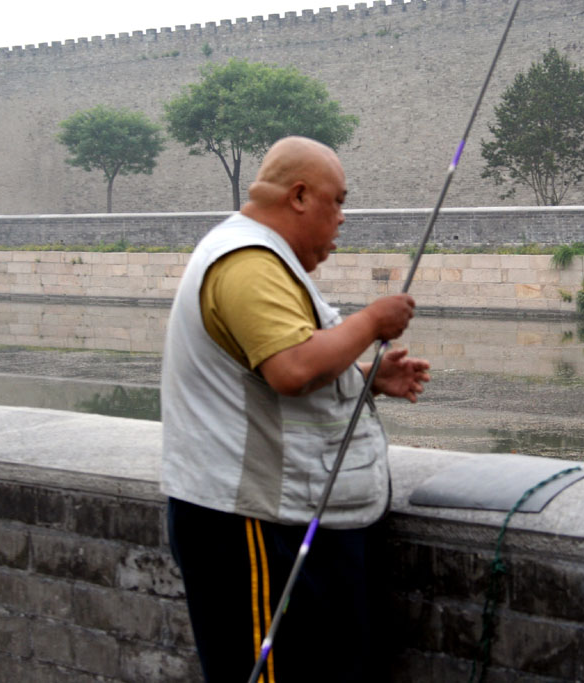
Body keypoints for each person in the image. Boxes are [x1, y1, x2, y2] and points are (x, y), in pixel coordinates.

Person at [161, 136, 430, 682]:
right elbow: (291, 369)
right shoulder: (247, 263)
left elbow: (278, 370)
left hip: (280, 518)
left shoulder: (263, 258)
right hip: (254, 527)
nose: (343, 219)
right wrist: (372, 323)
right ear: (301, 196)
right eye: (338, 201)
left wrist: (364, 378)